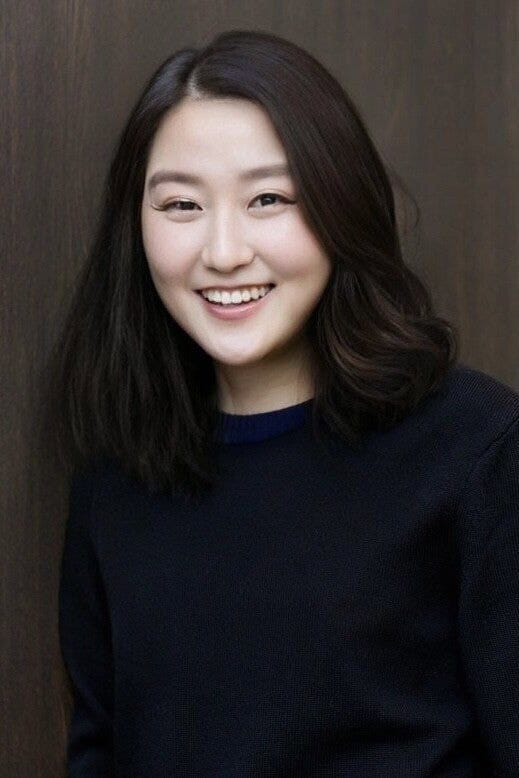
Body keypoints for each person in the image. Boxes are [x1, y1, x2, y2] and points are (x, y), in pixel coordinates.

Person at [44, 28, 519, 776]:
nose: (224, 252)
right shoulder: (114, 479)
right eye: (180, 204)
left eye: (268, 198)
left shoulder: (477, 447)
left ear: (340, 206)